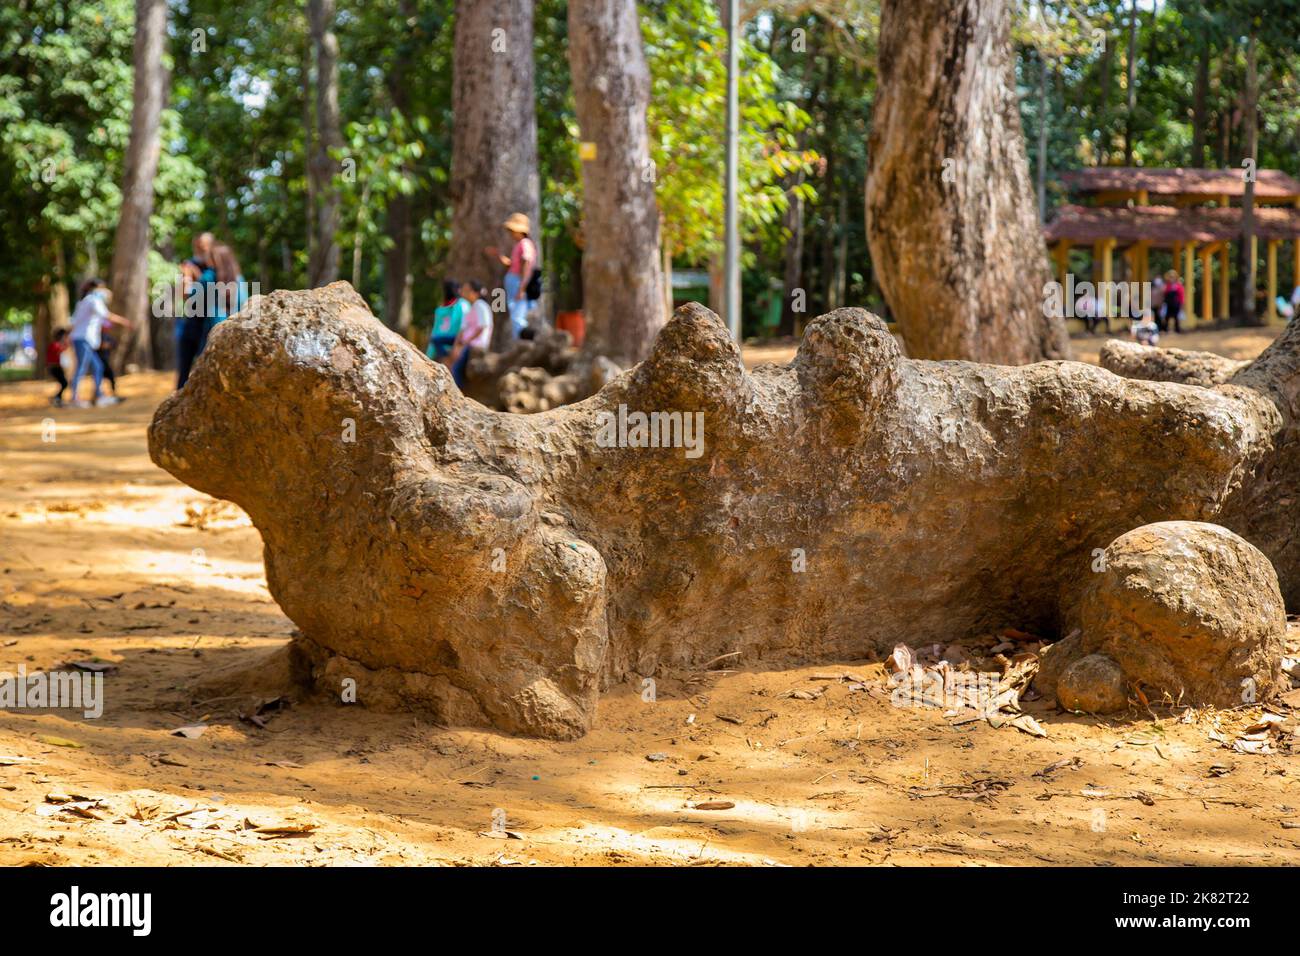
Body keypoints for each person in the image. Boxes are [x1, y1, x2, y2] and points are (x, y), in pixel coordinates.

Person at [67, 279, 129, 407]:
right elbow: (106, 315)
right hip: (83, 338)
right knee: (82, 368)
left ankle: (98, 396)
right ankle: (74, 398)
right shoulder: (92, 301)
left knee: (97, 366)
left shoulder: (84, 301)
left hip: (84, 339)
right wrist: (124, 322)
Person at [485, 212, 537, 340]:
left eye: (513, 230)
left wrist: (522, 287)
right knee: (515, 315)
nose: (511, 233)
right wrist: (498, 255)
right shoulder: (519, 245)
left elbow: (526, 264)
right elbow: (513, 264)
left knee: (517, 317)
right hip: (514, 283)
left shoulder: (525, 244)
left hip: (518, 283)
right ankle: (520, 343)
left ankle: (527, 342)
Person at [177, 233, 217, 388]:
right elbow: (185, 295)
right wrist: (186, 276)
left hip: (211, 321)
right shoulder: (190, 264)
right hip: (192, 320)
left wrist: (195, 275)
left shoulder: (217, 265)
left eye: (203, 245)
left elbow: (207, 287)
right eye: (197, 244)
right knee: (184, 365)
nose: (200, 248)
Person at [450, 280, 492, 389]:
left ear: (476, 293)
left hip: (475, 343)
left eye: (467, 290)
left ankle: (457, 388)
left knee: (456, 367)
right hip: (466, 343)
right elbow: (462, 329)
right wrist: (456, 346)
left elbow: (482, 328)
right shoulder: (470, 307)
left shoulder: (480, 305)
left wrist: (465, 343)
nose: (463, 292)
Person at [428, 279, 467, 362]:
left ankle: (445, 360)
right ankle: (445, 360)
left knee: (436, 339)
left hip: (457, 340)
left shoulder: (460, 305)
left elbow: (435, 330)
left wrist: (429, 354)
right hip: (448, 341)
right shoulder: (463, 304)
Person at [46, 328, 69, 407]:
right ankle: (57, 398)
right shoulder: (55, 345)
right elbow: (59, 351)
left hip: (57, 367)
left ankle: (58, 398)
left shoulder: (56, 344)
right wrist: (67, 344)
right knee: (64, 383)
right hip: (54, 368)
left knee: (64, 383)